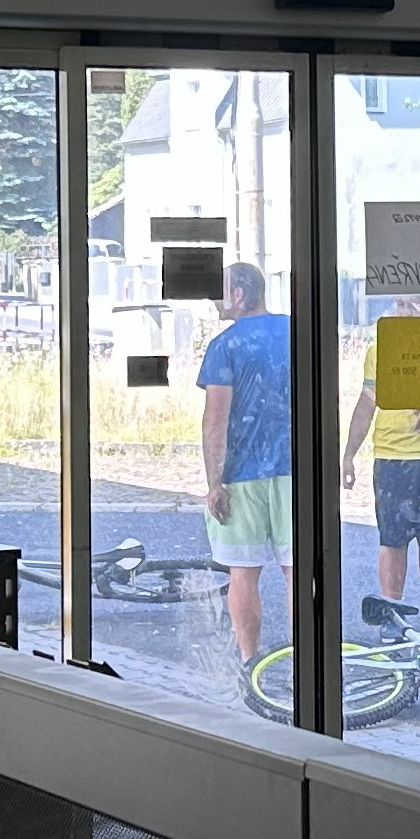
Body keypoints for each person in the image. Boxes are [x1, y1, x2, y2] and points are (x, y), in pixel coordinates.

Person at [194, 260, 291, 697]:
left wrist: (214, 482)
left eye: (220, 292)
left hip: (243, 474)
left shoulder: (225, 346)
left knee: (243, 574)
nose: (214, 300)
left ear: (238, 295)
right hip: (295, 469)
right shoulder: (295, 331)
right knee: (298, 571)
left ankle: (252, 664)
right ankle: (305, 657)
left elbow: (216, 421)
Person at [339, 341, 420, 633]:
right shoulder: (381, 346)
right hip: (392, 457)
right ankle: (392, 617)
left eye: (411, 308)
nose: (401, 314)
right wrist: (348, 455)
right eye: (398, 308)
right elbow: (367, 400)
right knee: (392, 541)